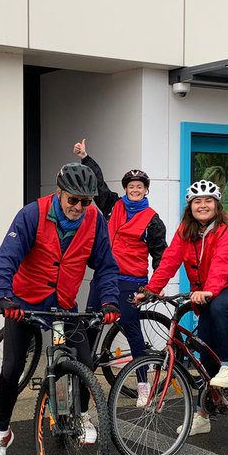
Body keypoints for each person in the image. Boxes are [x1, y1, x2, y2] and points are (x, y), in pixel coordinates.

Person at [0, 162, 121, 455]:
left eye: (85, 201)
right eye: (72, 199)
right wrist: (4, 295)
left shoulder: (94, 220)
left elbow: (106, 265)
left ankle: (83, 414)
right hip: (26, 302)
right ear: (59, 193)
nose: (78, 206)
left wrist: (110, 301)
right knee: (11, 368)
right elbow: (7, 258)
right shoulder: (31, 214)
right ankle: (1, 432)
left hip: (64, 303)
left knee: (85, 363)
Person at [139, 179, 228, 435]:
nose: (202, 205)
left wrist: (210, 289)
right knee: (204, 357)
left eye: (207, 201)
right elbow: (170, 259)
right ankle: (203, 413)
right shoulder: (186, 231)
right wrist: (150, 290)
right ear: (190, 206)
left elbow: (223, 262)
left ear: (216, 205)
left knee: (219, 309)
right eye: (197, 201)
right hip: (209, 294)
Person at [73, 139, 168, 408]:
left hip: (131, 282)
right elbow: (99, 184)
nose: (135, 190)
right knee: (89, 328)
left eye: (139, 187)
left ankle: (142, 385)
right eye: (130, 186)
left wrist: (154, 287)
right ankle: (83, 384)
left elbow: (161, 254)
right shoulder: (113, 205)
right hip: (104, 278)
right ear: (125, 189)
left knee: (131, 330)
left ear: (146, 190)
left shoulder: (152, 219)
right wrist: (86, 157)